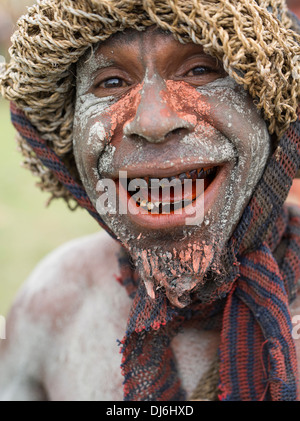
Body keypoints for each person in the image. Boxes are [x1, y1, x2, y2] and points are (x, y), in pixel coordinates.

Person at [0, 0, 299, 401]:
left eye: (199, 70)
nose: (153, 122)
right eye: (110, 82)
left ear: (274, 114)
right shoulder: (54, 303)